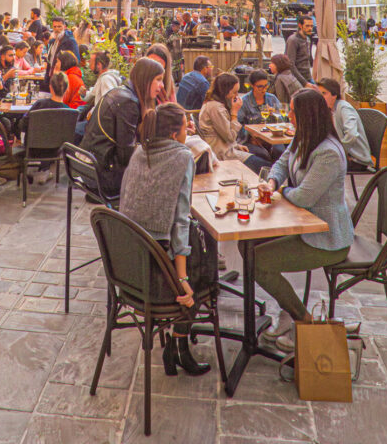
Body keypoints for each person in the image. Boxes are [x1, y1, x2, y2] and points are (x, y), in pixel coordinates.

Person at [252, 88, 355, 348]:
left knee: (257, 262)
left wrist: (281, 191)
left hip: (327, 238)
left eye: (293, 112)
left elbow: (302, 198)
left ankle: (303, 320)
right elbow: (282, 162)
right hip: (302, 225)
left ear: (306, 115)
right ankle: (288, 308)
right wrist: (273, 182)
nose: (289, 116)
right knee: (252, 245)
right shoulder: (304, 136)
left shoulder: (328, 153)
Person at [119, 102, 211, 377]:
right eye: (186, 126)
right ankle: (178, 342)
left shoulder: (140, 151)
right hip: (156, 273)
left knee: (196, 249)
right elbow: (180, 221)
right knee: (205, 269)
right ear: (173, 134)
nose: (189, 130)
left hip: (127, 263)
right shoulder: (182, 157)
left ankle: (176, 344)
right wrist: (182, 279)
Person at [82, 56, 164, 196]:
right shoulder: (128, 103)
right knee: (162, 170)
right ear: (145, 80)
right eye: (158, 79)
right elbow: (126, 155)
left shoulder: (124, 93)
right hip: (102, 178)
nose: (162, 86)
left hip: (91, 169)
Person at [198, 73, 266, 174]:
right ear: (225, 92)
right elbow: (229, 137)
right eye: (234, 92)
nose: (236, 96)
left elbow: (223, 135)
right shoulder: (216, 108)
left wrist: (237, 145)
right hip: (222, 155)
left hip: (226, 149)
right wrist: (234, 113)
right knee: (265, 167)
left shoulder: (215, 104)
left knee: (264, 155)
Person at [19, 71, 71, 184]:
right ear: (67, 89)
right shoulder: (69, 112)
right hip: (55, 150)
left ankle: (36, 169)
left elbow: (23, 123)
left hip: (32, 148)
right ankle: (44, 170)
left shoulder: (40, 104)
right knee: (50, 137)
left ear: (50, 88)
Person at [317, 77, 372, 168]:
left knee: (317, 165)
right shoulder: (330, 109)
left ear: (334, 95)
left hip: (356, 160)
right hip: (342, 156)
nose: (321, 97)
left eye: (324, 93)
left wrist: (340, 151)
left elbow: (352, 134)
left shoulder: (344, 108)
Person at [42, 16, 80, 90]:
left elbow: (76, 60)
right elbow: (50, 61)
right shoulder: (52, 41)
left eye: (59, 27)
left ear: (64, 27)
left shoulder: (70, 41)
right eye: (55, 27)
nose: (57, 29)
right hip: (51, 78)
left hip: (62, 79)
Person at [285, 15, 313, 84]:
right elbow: (290, 64)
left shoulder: (307, 39)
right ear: (300, 26)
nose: (310, 28)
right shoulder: (293, 40)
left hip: (308, 77)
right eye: (307, 26)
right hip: (297, 80)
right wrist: (304, 83)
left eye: (311, 26)